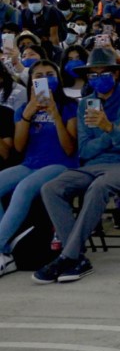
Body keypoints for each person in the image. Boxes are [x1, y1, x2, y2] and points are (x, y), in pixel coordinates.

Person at [33, 49, 120, 283]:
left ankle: (69, 256)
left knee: (100, 186)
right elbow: (85, 150)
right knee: (51, 188)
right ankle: (77, 257)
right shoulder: (86, 105)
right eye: (92, 75)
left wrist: (108, 128)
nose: (97, 79)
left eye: (103, 73)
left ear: (115, 74)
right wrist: (113, 131)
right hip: (93, 166)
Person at [0, 61, 78, 277]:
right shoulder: (23, 110)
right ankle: (5, 250)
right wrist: (27, 115)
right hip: (31, 164)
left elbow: (70, 148)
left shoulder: (69, 106)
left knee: (24, 189)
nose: (45, 78)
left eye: (50, 74)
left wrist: (54, 113)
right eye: (39, 75)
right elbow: (19, 146)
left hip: (61, 164)